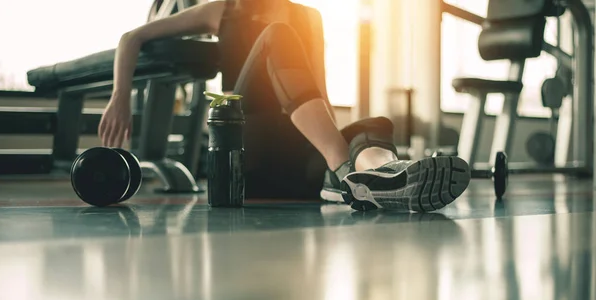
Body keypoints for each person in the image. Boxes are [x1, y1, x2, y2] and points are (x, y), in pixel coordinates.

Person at [98, 0, 471, 212]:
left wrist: (346, 139)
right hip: (249, 151)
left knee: (375, 125)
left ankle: (385, 177)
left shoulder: (310, 17)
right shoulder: (223, 9)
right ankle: (346, 169)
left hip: (302, 162)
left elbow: (317, 94)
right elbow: (132, 38)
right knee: (277, 35)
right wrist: (120, 97)